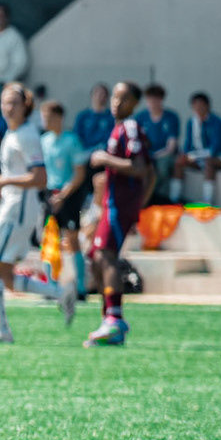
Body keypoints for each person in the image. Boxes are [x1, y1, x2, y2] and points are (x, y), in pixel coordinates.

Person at [0, 84, 76, 344]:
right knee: (4, 275)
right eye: (5, 102)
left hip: (17, 211)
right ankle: (60, 293)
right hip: (14, 206)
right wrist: (3, 185)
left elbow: (40, 177)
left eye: (13, 103)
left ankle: (2, 331)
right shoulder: (14, 133)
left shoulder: (26, 135)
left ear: (25, 105)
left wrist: (4, 182)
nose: (8, 107)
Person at [83, 81, 152, 348]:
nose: (115, 103)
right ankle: (109, 320)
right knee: (95, 256)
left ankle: (114, 319)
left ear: (135, 103)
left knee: (105, 254)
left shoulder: (131, 127)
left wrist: (105, 159)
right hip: (115, 203)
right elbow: (152, 172)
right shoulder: (120, 129)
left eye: (123, 99)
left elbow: (139, 167)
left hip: (119, 204)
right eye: (114, 97)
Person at [40, 100, 91, 298]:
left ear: (59, 117)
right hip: (49, 194)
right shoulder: (43, 141)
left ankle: (80, 287)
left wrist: (63, 195)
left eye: (49, 116)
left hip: (69, 195)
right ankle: (51, 285)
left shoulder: (71, 140)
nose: (45, 120)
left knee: (72, 238)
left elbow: (79, 173)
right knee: (50, 238)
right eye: (44, 116)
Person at [177, 91, 221, 206]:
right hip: (199, 158)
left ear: (207, 106)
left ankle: (208, 201)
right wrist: (186, 155)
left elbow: (214, 150)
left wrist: (193, 156)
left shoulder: (217, 123)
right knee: (179, 162)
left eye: (201, 105)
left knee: (209, 163)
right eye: (195, 105)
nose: (198, 108)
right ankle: (174, 199)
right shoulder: (191, 122)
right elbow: (188, 144)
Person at [135, 83, 180, 202]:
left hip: (164, 154)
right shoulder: (140, 117)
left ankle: (159, 197)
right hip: (146, 154)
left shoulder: (171, 117)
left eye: (156, 99)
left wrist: (156, 156)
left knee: (162, 166)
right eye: (150, 99)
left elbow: (171, 146)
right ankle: (141, 198)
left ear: (161, 99)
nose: (153, 102)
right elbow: (136, 141)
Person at [73, 83, 114, 153]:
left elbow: (112, 137)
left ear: (107, 97)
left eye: (102, 94)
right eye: (96, 93)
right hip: (85, 153)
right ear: (91, 95)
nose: (99, 96)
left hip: (105, 154)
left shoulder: (112, 117)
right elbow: (76, 137)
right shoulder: (83, 116)